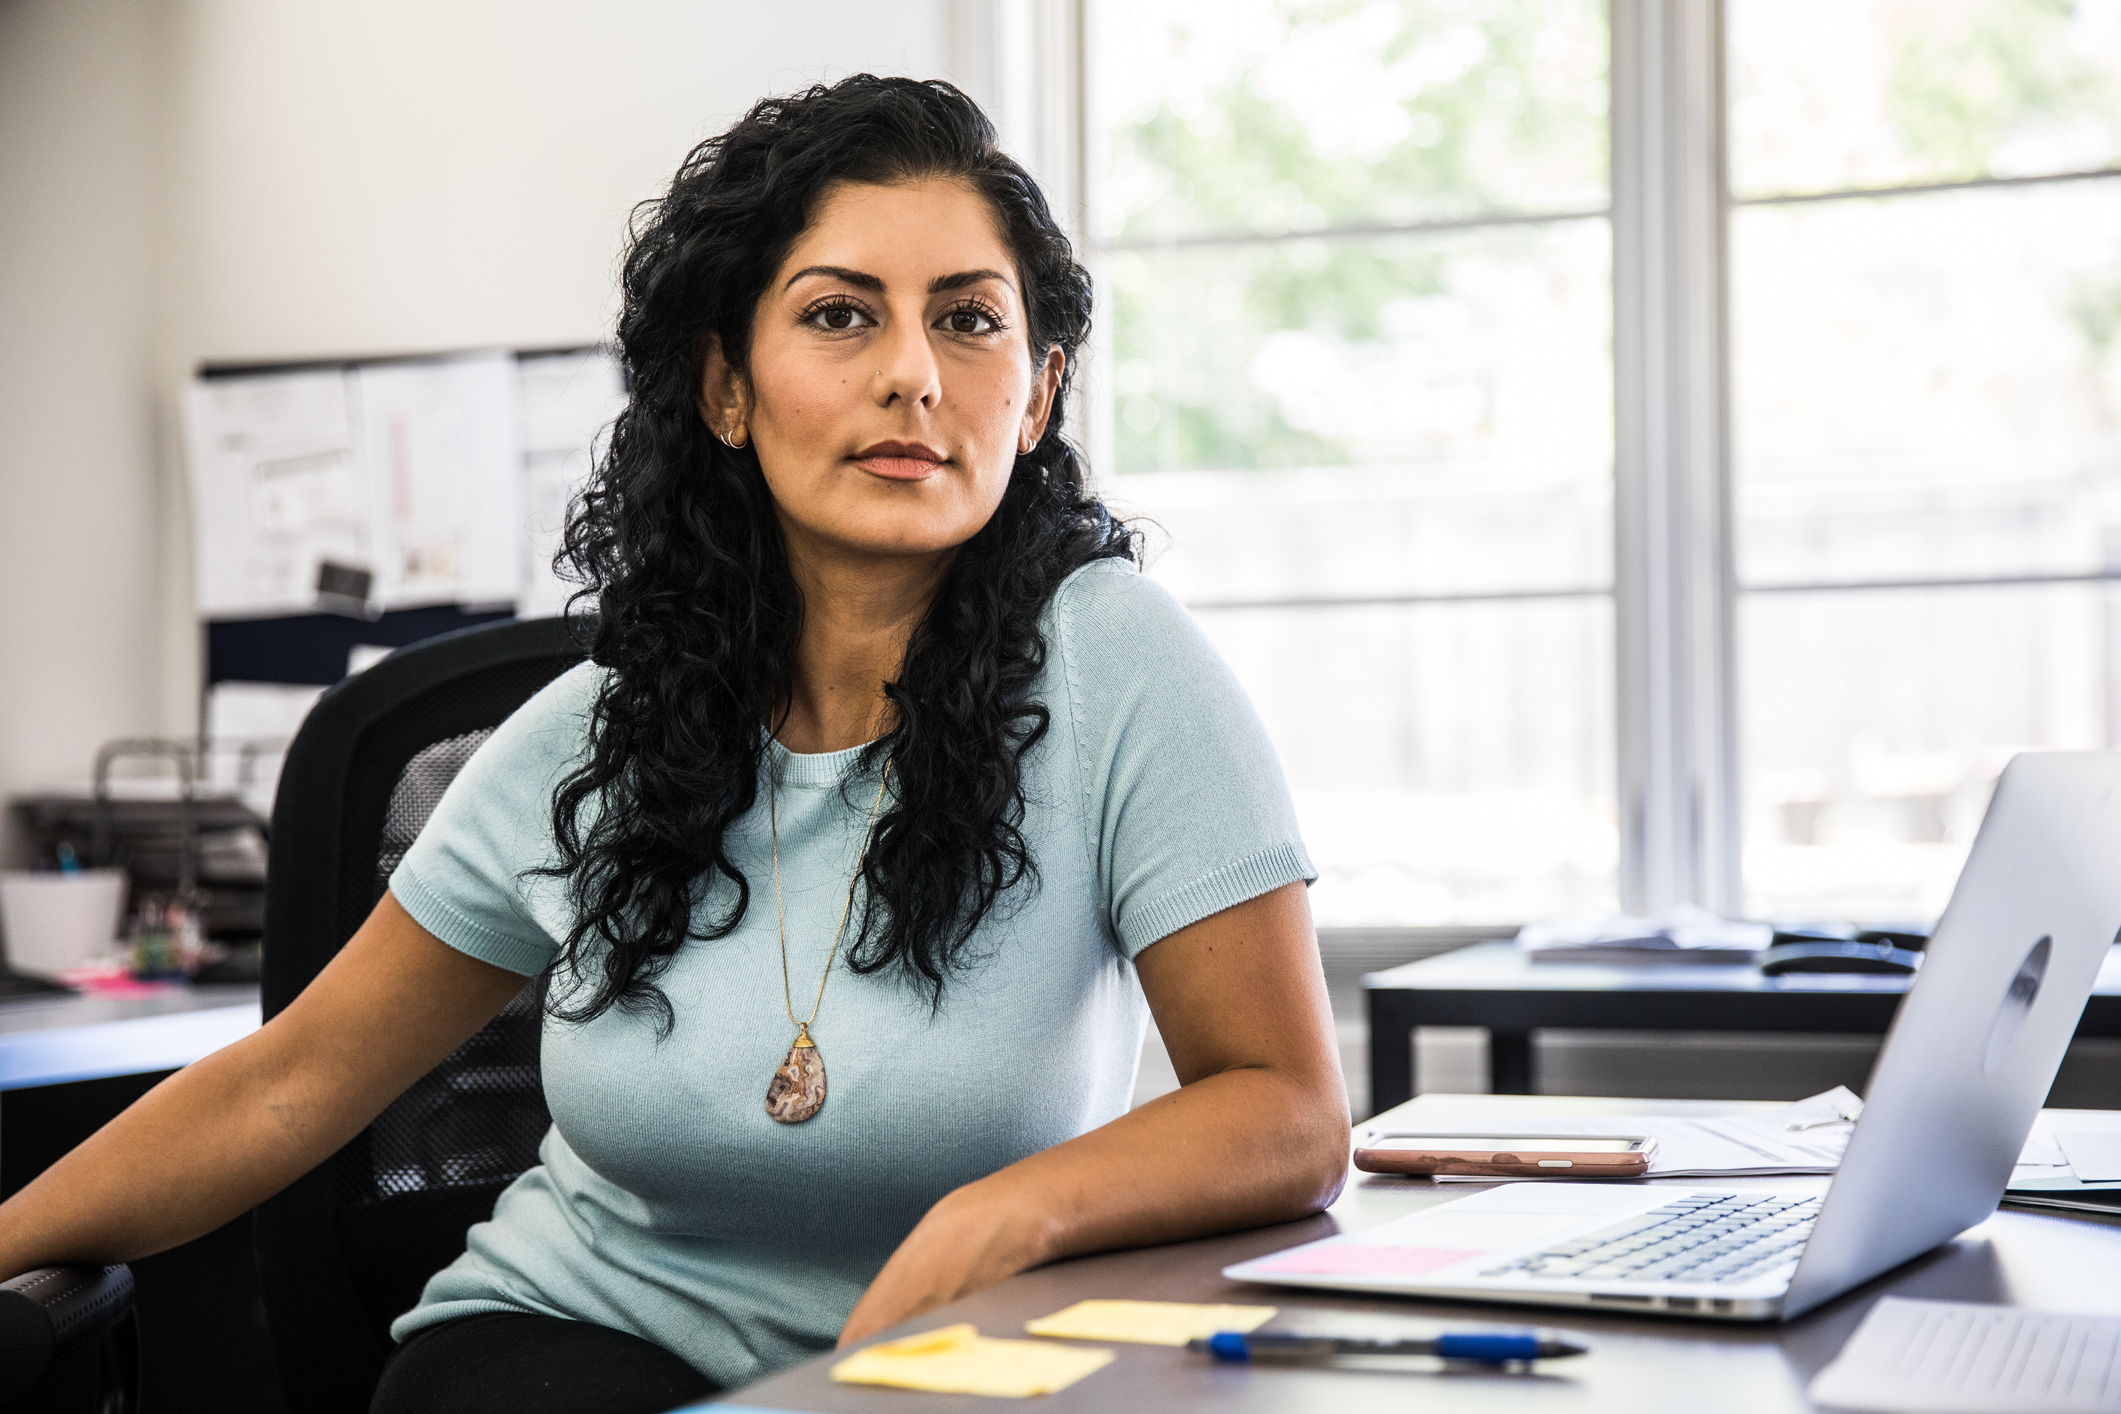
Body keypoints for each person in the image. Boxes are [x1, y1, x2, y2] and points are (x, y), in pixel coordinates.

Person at [0, 76, 1348, 1413]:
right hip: (567, 1342)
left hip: (954, 1370)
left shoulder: (1119, 668)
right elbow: (287, 1085)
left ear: (1038, 393)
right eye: (837, 314)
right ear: (724, 388)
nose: (912, 375)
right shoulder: (595, 737)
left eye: (969, 321)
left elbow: (1283, 1107)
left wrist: (1006, 1216)